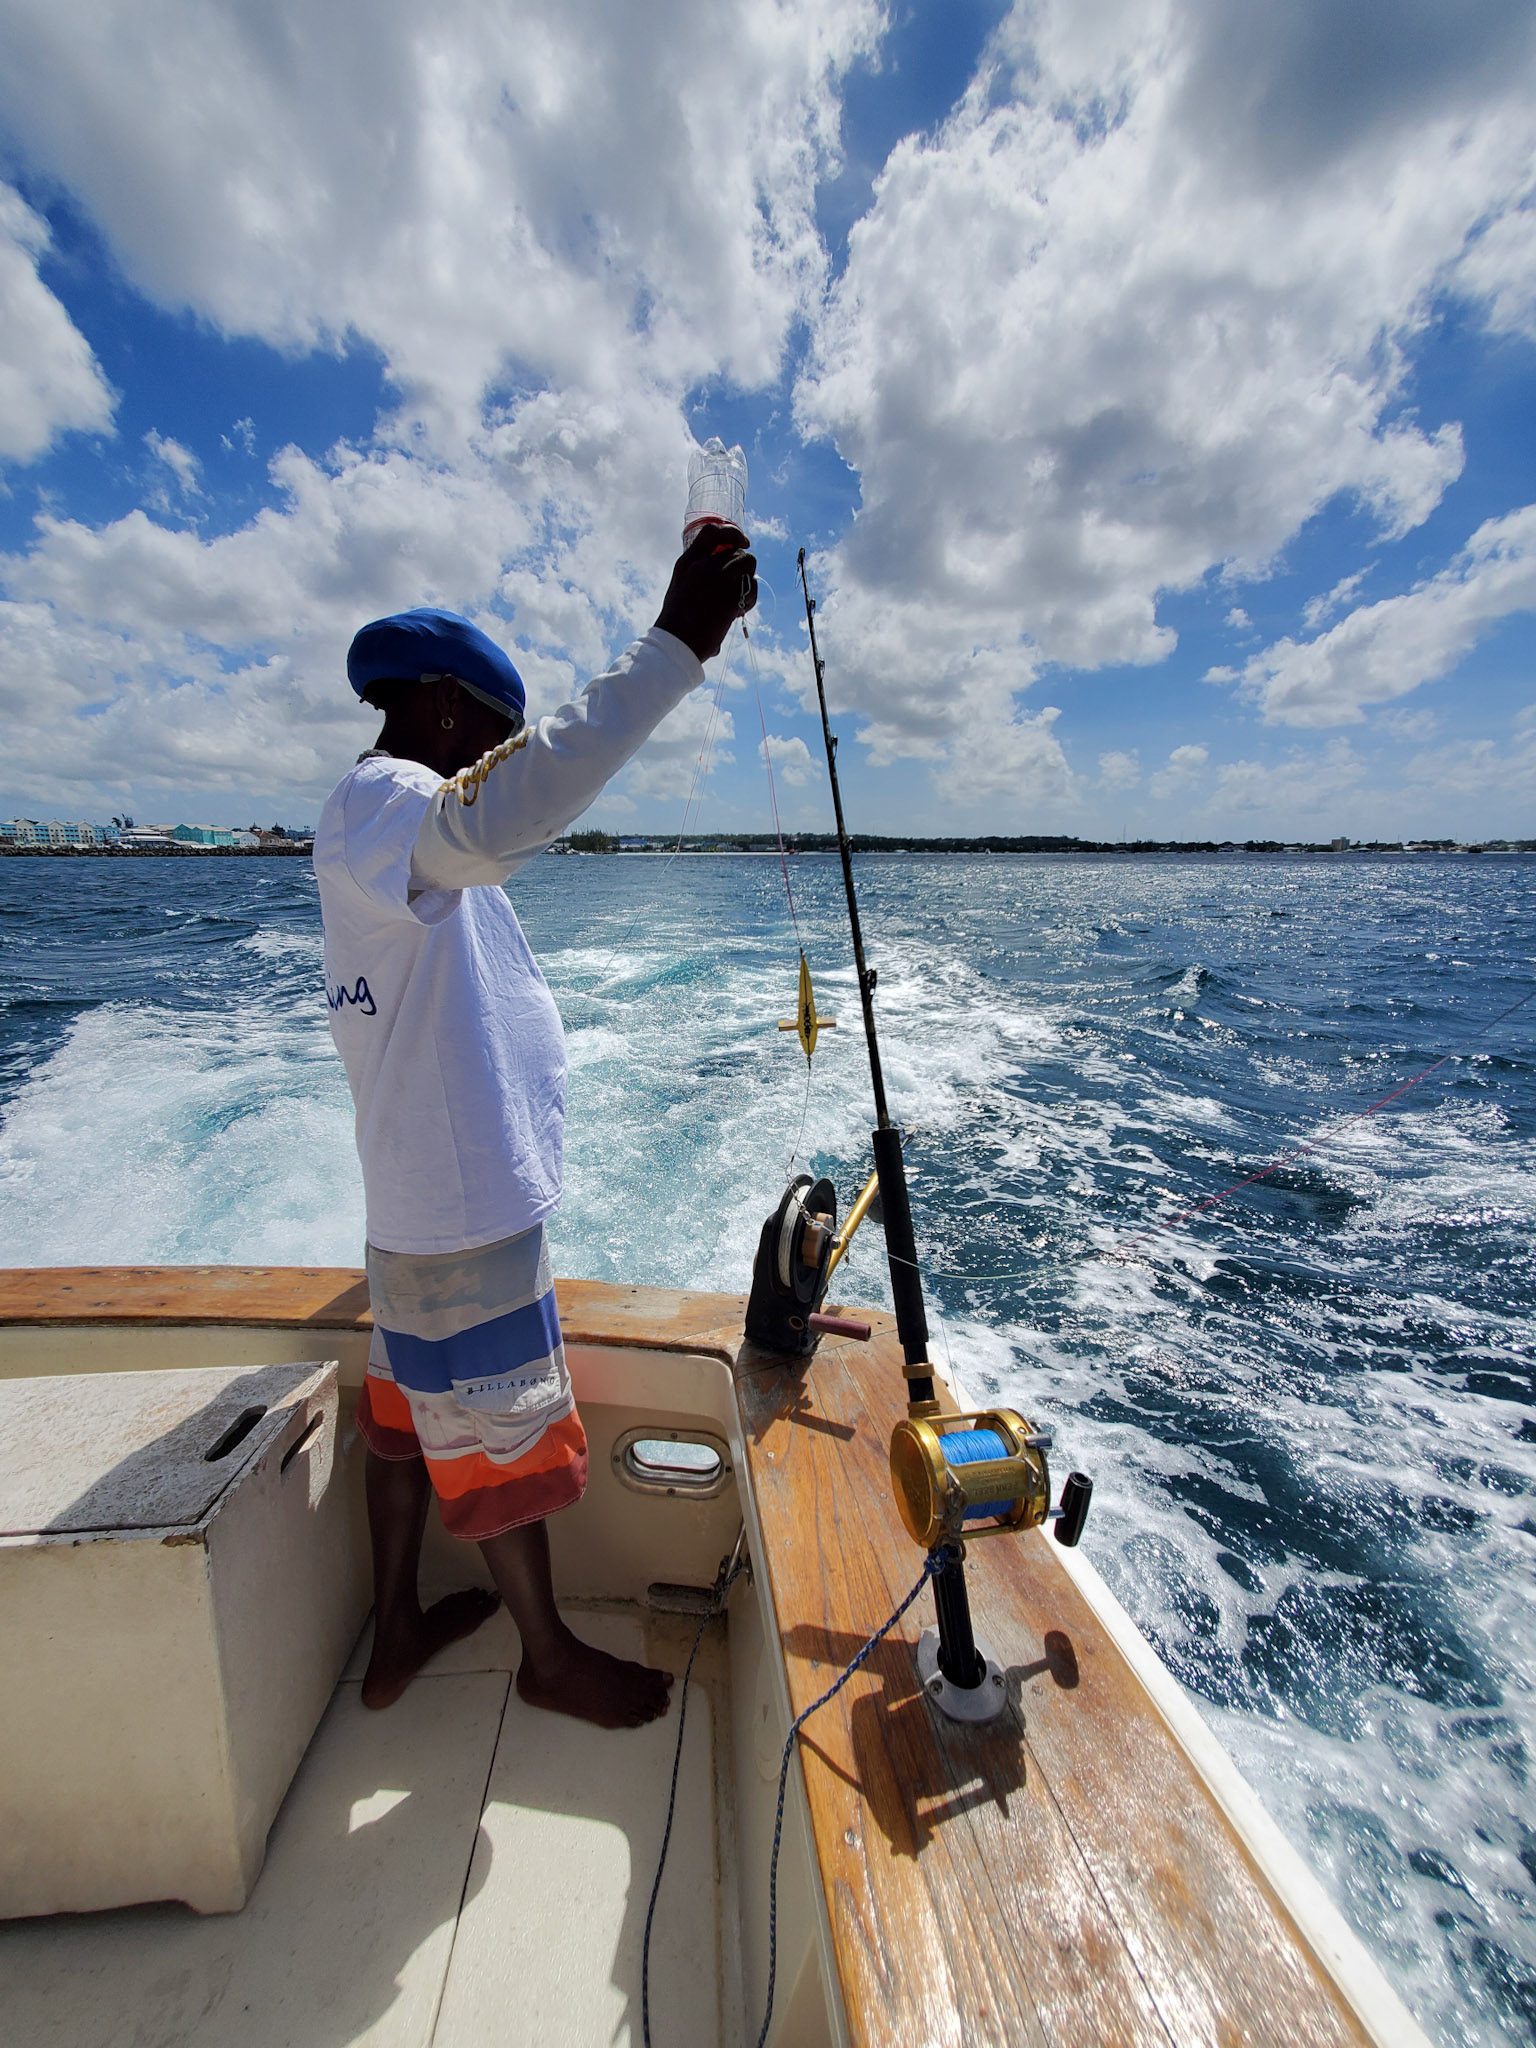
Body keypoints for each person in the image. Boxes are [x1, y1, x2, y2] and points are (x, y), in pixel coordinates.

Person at [314, 522, 755, 1727]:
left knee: (406, 1421)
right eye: (494, 737)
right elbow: (492, 818)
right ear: (450, 714)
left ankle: (399, 1621)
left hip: (418, 1208)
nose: (500, 759)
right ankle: (547, 1655)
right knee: (504, 1439)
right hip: (461, 1213)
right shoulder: (390, 801)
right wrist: (674, 649)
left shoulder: (382, 820)